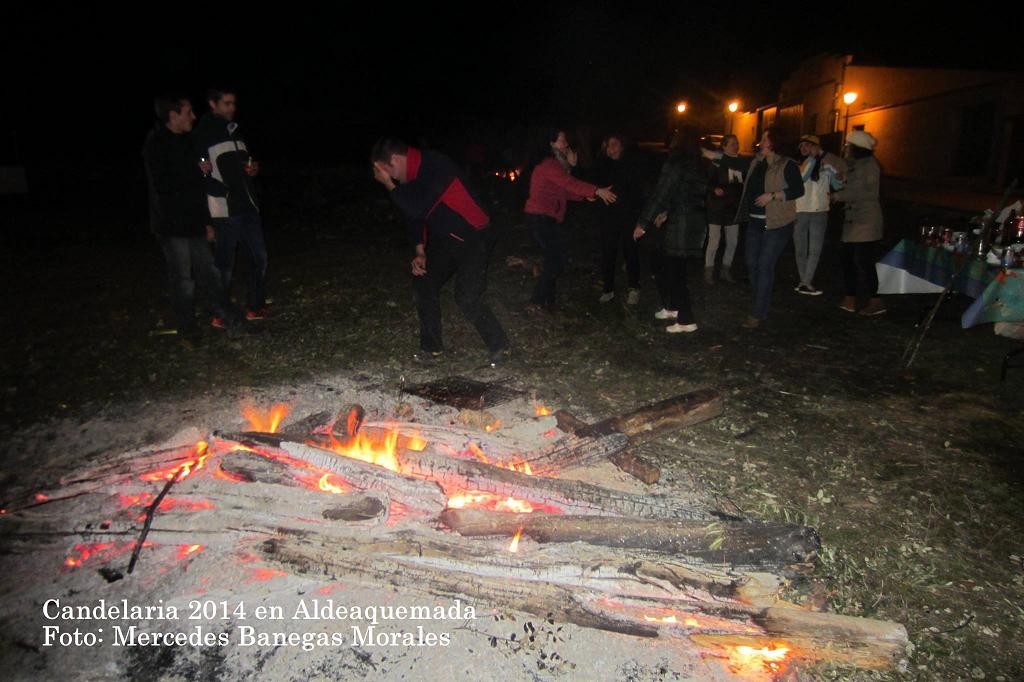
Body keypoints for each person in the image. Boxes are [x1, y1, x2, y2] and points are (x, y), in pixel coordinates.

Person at [371, 138, 510, 365]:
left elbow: (417, 207)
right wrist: (420, 251)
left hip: (475, 236)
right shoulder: (412, 176)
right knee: (423, 281)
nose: (392, 177)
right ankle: (432, 349)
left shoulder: (435, 165)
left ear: (395, 160)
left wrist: (388, 184)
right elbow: (414, 216)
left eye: (388, 172)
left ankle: (500, 345)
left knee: (466, 297)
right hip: (448, 238)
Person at [142, 94, 239, 347]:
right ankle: (188, 330)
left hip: (195, 223)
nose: (193, 117)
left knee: (211, 273)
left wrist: (207, 221)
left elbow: (199, 181)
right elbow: (165, 187)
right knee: (183, 280)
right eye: (188, 113)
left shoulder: (190, 142)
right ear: (173, 116)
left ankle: (229, 318)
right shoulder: (156, 144)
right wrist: (194, 173)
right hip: (172, 226)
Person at [194, 86, 269, 325]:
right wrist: (222, 193)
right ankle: (221, 312)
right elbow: (201, 172)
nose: (232, 108)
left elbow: (246, 165)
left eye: (233, 103)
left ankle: (255, 306)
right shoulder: (204, 133)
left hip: (248, 205)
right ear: (213, 104)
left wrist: (253, 169)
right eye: (226, 103)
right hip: (225, 209)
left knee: (259, 257)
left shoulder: (235, 131)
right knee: (225, 263)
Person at [523, 129, 617, 311]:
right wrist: (596, 191)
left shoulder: (557, 164)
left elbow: (564, 191)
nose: (566, 144)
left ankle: (546, 302)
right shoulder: (549, 164)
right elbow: (569, 184)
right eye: (562, 141)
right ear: (551, 143)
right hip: (540, 218)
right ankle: (537, 301)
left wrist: (585, 195)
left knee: (555, 259)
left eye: (565, 141)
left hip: (546, 218)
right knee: (556, 259)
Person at [633, 128, 708, 333]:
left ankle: (686, 320)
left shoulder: (677, 163)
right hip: (693, 221)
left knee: (675, 270)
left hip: (682, 224)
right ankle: (673, 307)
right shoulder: (697, 164)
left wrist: (643, 223)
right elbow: (684, 194)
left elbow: (662, 193)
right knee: (669, 265)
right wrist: (666, 212)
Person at [735, 127, 805, 328]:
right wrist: (709, 154)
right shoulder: (757, 162)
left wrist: (773, 196)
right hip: (755, 221)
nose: (761, 142)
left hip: (777, 223)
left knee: (764, 266)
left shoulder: (787, 165)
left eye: (766, 139)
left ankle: (757, 312)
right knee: (752, 264)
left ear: (776, 143)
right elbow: (732, 161)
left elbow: (798, 189)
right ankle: (761, 302)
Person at [833, 130, 885, 316]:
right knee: (847, 259)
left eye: (848, 145)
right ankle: (850, 298)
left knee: (864, 262)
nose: (846, 148)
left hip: (866, 221)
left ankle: (876, 300)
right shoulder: (856, 163)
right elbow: (852, 182)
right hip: (854, 220)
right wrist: (842, 178)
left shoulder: (870, 165)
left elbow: (863, 192)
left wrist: (837, 196)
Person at [590, 134, 643, 304]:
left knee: (630, 251)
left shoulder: (631, 164)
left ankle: (634, 287)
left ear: (621, 145)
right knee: (608, 252)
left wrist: (639, 215)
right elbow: (592, 186)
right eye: (607, 146)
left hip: (628, 215)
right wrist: (595, 195)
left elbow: (637, 191)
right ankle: (608, 289)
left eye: (613, 144)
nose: (610, 148)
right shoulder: (601, 165)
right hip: (608, 216)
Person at [793, 134, 846, 296]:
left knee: (814, 249)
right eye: (801, 146)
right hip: (800, 210)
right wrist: (813, 159)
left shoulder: (826, 166)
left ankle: (806, 282)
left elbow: (838, 184)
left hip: (819, 212)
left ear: (816, 147)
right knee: (800, 248)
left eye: (807, 145)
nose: (804, 148)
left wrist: (839, 178)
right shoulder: (800, 165)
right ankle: (804, 281)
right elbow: (802, 178)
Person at [704, 134, 749, 284]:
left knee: (732, 241)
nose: (736, 146)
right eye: (732, 144)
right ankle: (708, 270)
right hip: (717, 207)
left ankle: (725, 270)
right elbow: (707, 181)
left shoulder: (741, 162)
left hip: (733, 208)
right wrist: (714, 189)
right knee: (714, 241)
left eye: (737, 143)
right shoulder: (717, 162)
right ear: (724, 146)